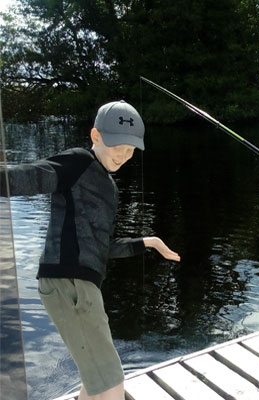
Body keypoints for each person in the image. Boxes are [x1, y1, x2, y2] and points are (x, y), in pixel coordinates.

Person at [0, 100, 180, 400]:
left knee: (96, 376)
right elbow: (24, 178)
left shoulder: (108, 187)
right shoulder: (78, 163)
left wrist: (146, 243)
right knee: (110, 381)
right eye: (117, 146)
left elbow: (101, 249)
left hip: (80, 286)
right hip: (69, 286)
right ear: (96, 136)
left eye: (131, 149)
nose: (123, 155)